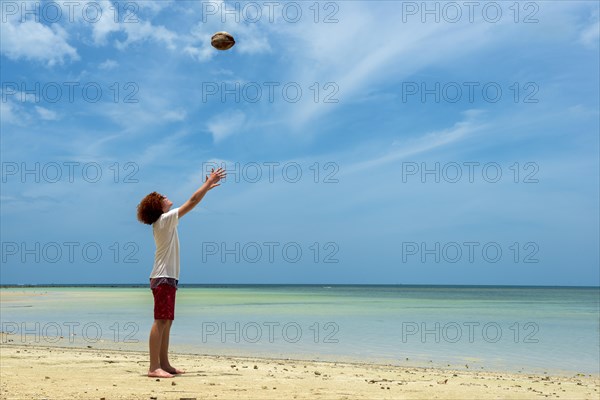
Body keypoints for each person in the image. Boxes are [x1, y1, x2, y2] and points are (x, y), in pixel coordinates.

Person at [136, 167, 226, 378]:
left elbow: (193, 202)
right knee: (160, 320)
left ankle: (164, 364)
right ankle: (153, 367)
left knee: (167, 321)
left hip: (167, 278)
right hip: (163, 277)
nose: (167, 197)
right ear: (158, 207)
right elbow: (192, 202)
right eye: (163, 198)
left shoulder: (165, 222)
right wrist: (207, 184)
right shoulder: (164, 220)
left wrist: (207, 187)